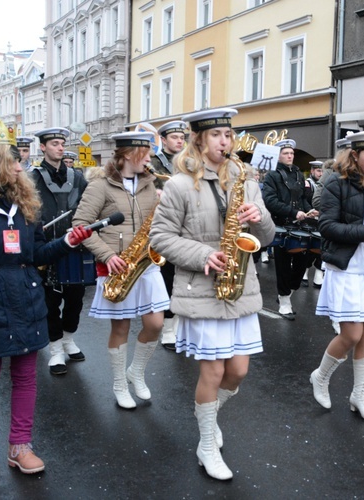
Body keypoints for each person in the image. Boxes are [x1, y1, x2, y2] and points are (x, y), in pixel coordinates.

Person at [0, 120, 93, 474]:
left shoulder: (24, 204)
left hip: (25, 298)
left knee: (25, 377)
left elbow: (35, 254)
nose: (20, 166)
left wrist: (66, 243)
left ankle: (20, 445)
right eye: (13, 162)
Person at [149, 107, 275, 480]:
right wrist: (204, 254)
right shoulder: (178, 184)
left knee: (238, 371)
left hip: (241, 288)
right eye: (218, 135)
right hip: (201, 289)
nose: (226, 141)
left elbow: (266, 237)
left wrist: (261, 218)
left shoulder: (247, 181)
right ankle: (207, 444)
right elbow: (160, 237)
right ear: (199, 140)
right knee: (213, 369)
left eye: (229, 135)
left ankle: (208, 413)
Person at [72, 131, 170, 410]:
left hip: (145, 262)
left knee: (156, 324)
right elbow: (81, 226)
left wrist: (164, 205)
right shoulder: (100, 186)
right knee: (121, 327)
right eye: (146, 153)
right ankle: (118, 383)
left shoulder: (151, 183)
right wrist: (107, 255)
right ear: (128, 154)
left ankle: (136, 371)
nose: (150, 159)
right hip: (117, 264)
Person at [309, 130, 364, 423]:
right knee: (351, 333)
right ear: (355, 155)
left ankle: (360, 395)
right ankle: (320, 377)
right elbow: (327, 226)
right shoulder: (336, 182)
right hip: (347, 266)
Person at [31, 127, 89, 376]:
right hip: (46, 248)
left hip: (75, 247)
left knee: (75, 299)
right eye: (54, 143)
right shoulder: (31, 178)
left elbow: (90, 205)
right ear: (43, 147)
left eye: (62, 143)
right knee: (51, 301)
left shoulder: (77, 177)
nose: (60, 147)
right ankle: (55, 349)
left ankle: (68, 339)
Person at [262, 138, 316, 319]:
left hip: (299, 224)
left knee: (302, 264)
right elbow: (270, 201)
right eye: (286, 153)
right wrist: (293, 212)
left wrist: (309, 210)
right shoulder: (272, 175)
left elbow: (302, 199)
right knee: (283, 266)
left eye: (291, 153)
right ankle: (284, 302)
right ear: (278, 156)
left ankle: (287, 293)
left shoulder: (299, 174)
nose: (290, 156)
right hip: (280, 225)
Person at [149, 120, 188, 350]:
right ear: (163, 140)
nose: (180, 141)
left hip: (188, 226)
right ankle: (169, 329)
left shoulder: (189, 162)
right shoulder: (153, 163)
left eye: (182, 138)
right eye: (175, 137)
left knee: (187, 278)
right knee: (168, 278)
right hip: (164, 226)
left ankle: (183, 325)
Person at [302, 160, 324, 288]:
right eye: (318, 171)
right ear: (312, 171)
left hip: (321, 219)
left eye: (321, 171)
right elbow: (304, 199)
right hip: (310, 219)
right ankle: (304, 271)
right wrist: (310, 211)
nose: (320, 173)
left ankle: (318, 274)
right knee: (309, 248)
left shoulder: (325, 183)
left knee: (321, 249)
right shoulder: (307, 184)